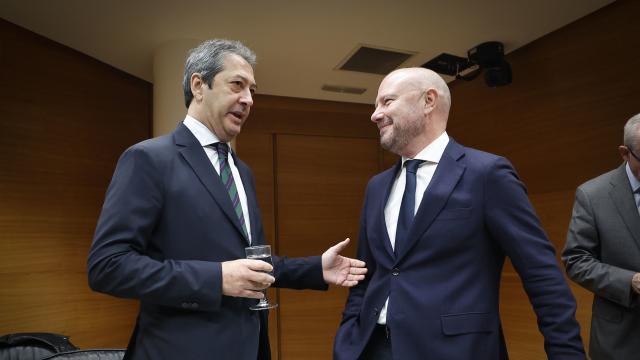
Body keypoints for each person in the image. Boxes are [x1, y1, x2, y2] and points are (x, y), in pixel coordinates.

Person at [87, 39, 367, 360]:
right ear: (198, 85)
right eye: (237, 85)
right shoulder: (149, 159)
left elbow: (248, 264)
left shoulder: (241, 170)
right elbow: (108, 266)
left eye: (252, 90)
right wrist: (216, 279)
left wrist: (316, 269)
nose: (248, 99)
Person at [333, 67, 586, 360]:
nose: (375, 115)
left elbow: (541, 275)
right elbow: (366, 274)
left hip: (456, 351)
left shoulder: (487, 174)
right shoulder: (376, 187)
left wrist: (567, 354)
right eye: (375, 105)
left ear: (429, 101)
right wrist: (348, 336)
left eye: (387, 102)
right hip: (371, 348)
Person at [562, 113, 640, 360]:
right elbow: (576, 260)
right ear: (624, 153)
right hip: (623, 340)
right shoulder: (592, 195)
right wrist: (630, 281)